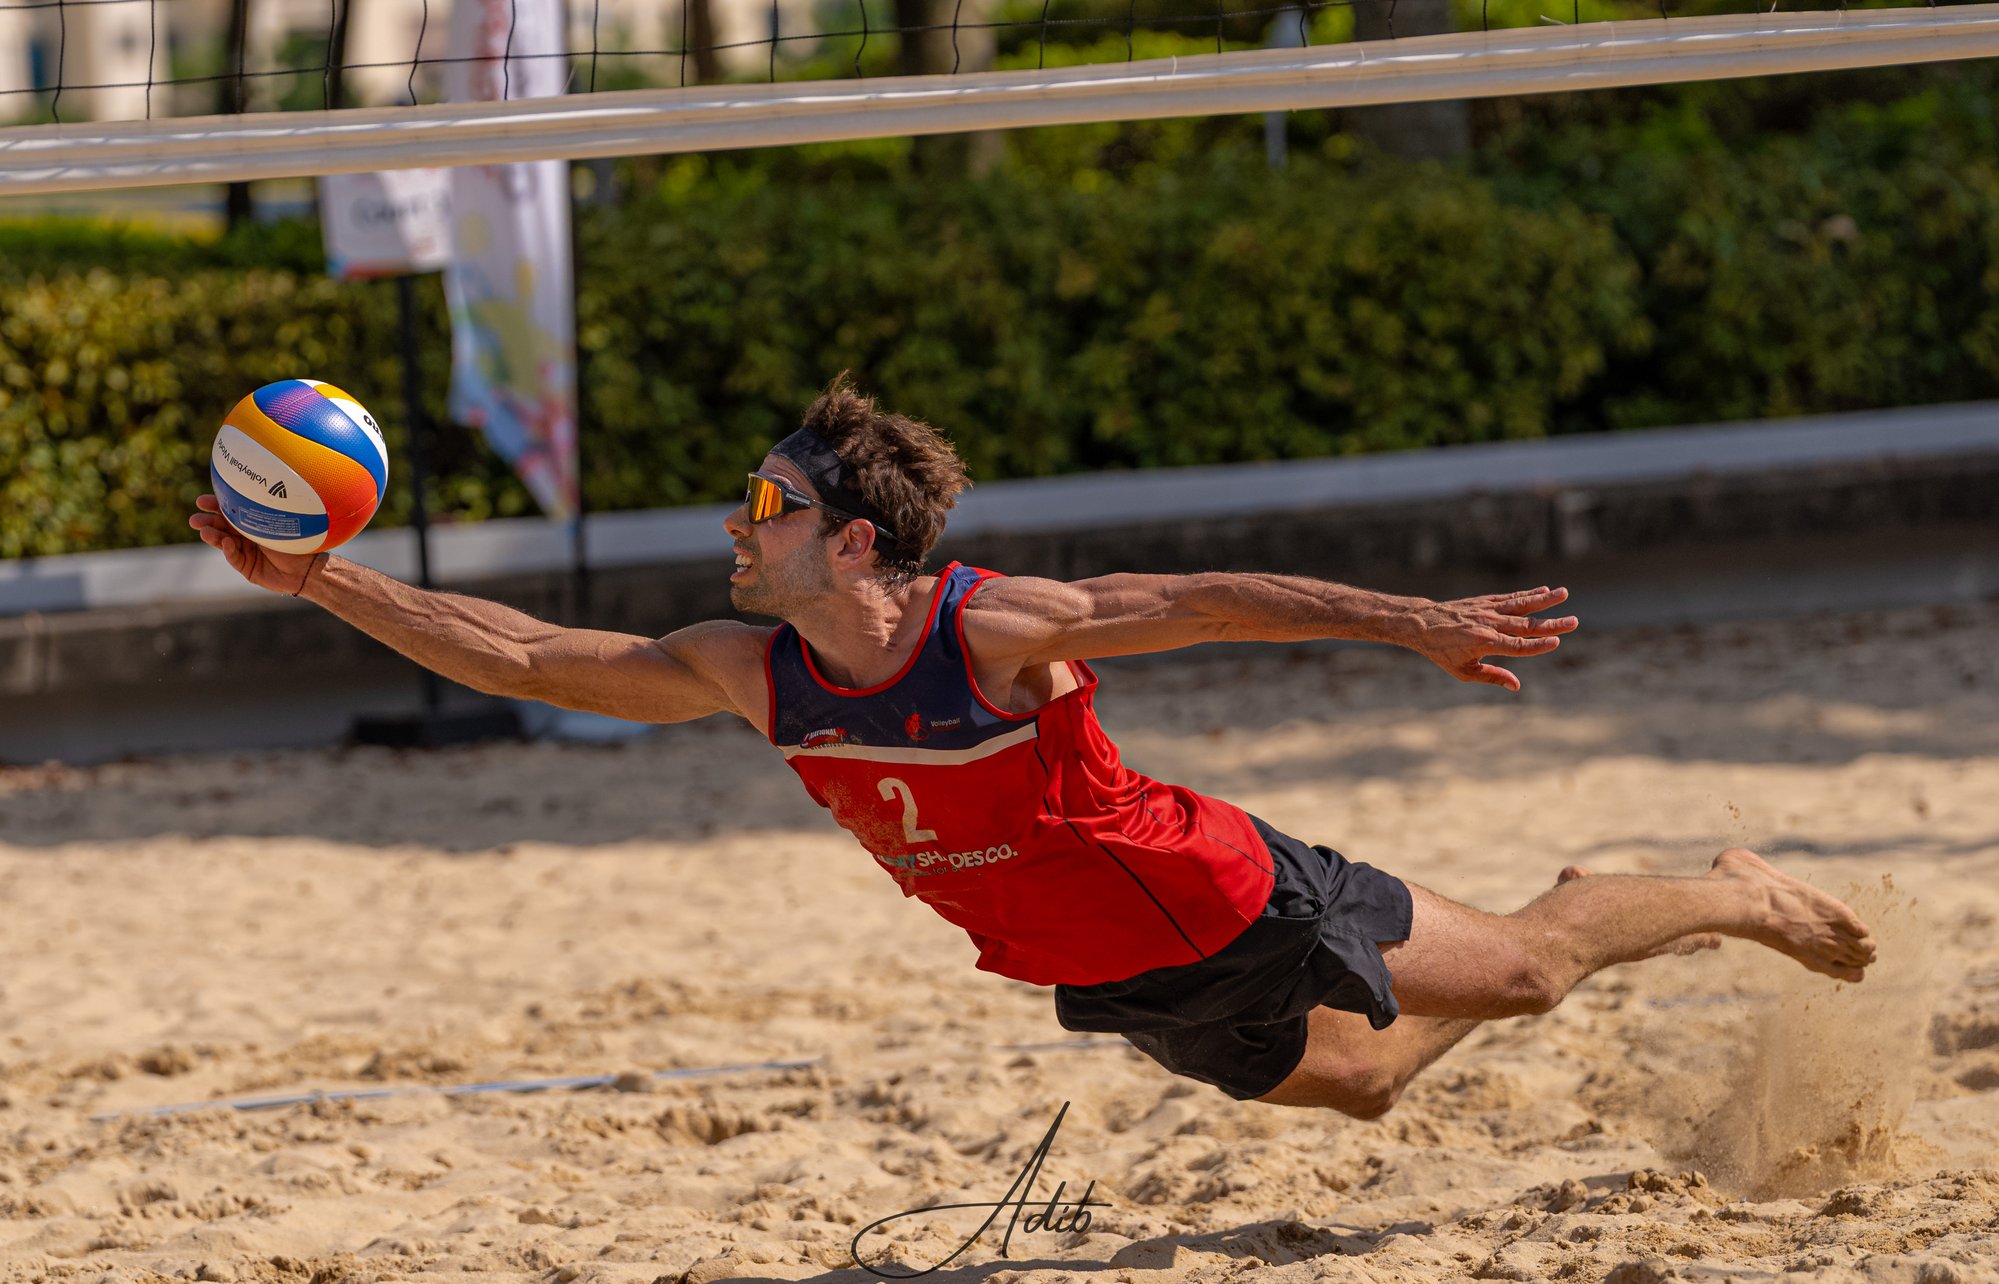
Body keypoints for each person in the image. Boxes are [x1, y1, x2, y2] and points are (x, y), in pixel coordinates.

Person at [188, 376, 1876, 1117]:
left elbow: (1206, 598)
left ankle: (1718, 894)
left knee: (1517, 983)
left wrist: (1411, 622)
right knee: (1362, 1091)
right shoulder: (753, 668)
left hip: (1218, 891)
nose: (738, 520)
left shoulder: (989, 630)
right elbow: (535, 655)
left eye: (768, 504)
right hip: (1097, 968)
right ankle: (1536, 925)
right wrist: (324, 577)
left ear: (854, 541)